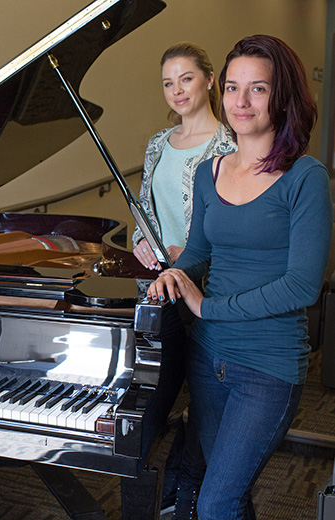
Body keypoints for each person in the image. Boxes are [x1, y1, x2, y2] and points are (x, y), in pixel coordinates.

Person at [147, 35, 332, 519]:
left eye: (258, 89)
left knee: (215, 503)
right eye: (232, 88)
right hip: (209, 360)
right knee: (229, 495)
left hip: (267, 367)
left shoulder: (306, 177)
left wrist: (209, 307)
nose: (241, 102)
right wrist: (173, 274)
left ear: (282, 96)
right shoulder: (208, 172)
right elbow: (199, 253)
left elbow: (303, 285)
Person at [129, 42, 236, 519]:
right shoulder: (157, 142)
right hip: (158, 289)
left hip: (207, 292)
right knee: (155, 399)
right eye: (168, 82)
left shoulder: (230, 144)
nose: (176, 90)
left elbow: (234, 224)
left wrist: (189, 255)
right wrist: (140, 242)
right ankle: (165, 490)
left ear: (210, 80)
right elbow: (143, 210)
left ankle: (188, 491)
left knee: (209, 403)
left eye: (186, 79)